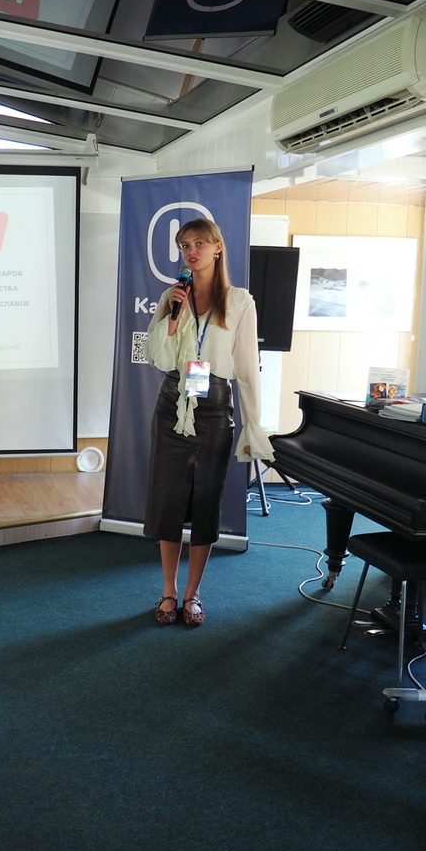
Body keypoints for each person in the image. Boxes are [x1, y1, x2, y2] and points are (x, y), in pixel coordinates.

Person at [143, 217, 274, 627]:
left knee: (205, 501)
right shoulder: (172, 295)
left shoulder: (239, 302)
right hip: (173, 402)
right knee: (168, 501)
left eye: (199, 243)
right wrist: (173, 318)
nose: (191, 251)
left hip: (214, 406)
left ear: (217, 248)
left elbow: (248, 368)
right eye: (185, 245)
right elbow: (158, 357)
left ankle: (192, 594)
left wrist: (254, 424)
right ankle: (168, 591)